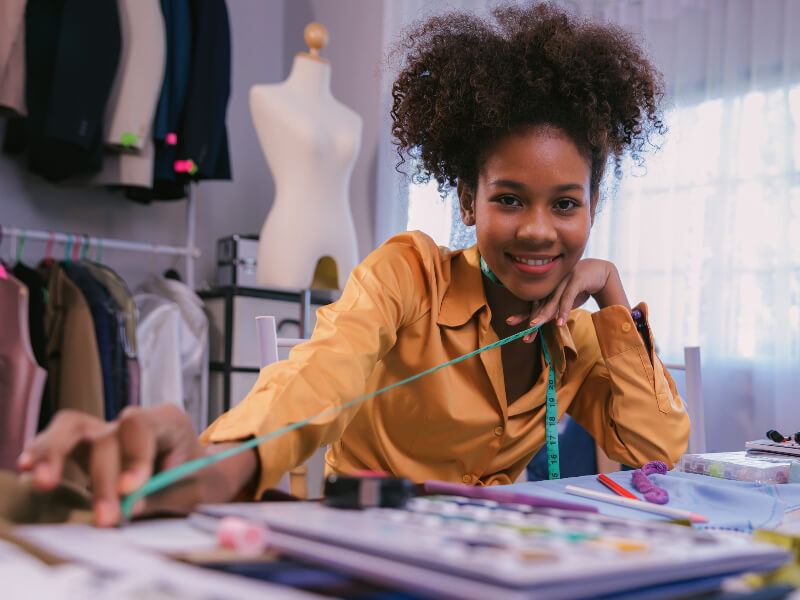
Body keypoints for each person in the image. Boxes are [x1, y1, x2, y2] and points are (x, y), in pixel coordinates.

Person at [17, 2, 690, 527]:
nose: (539, 229)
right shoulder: (409, 276)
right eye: (509, 199)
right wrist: (225, 463)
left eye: (566, 203)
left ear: (594, 205)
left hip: (480, 559)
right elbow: (321, 376)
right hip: (368, 545)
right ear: (466, 197)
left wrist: (611, 295)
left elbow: (656, 460)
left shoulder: (580, 337)